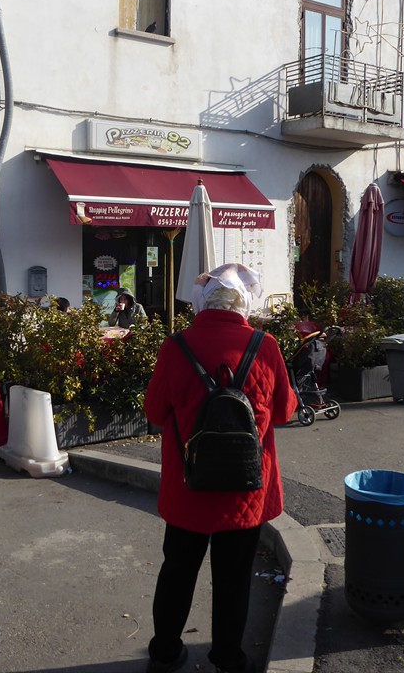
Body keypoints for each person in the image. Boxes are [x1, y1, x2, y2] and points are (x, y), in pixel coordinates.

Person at [143, 263, 297, 673]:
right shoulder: (265, 346)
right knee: (234, 577)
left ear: (202, 302)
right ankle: (228, 658)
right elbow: (284, 411)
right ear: (244, 303)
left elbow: (155, 411)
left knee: (177, 571)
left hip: (188, 485)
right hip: (244, 489)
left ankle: (165, 653)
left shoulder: (176, 346)